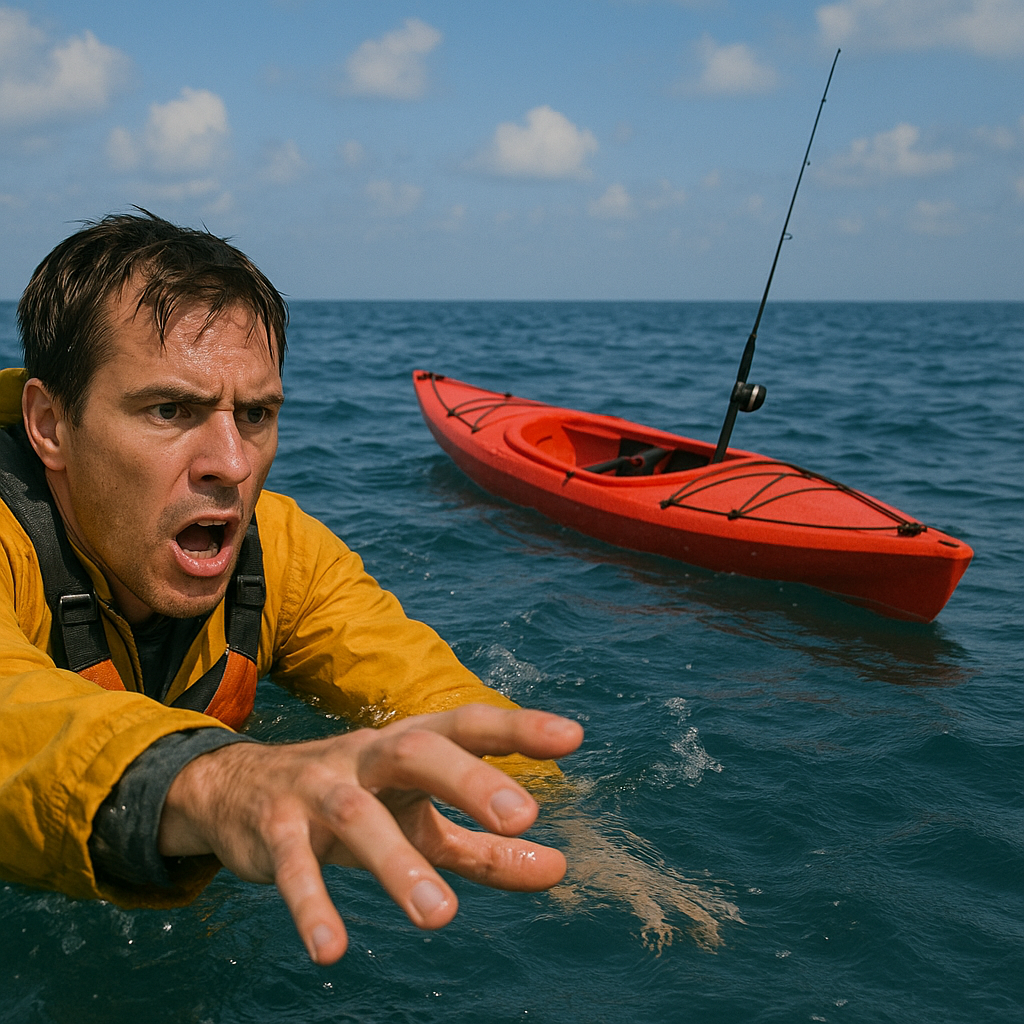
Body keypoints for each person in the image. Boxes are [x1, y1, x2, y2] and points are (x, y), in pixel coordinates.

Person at [0, 211, 583, 966]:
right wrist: (222, 782)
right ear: (49, 424)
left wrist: (580, 840)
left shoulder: (282, 554)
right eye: (170, 410)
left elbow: (443, 707)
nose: (232, 464)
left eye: (256, 414)